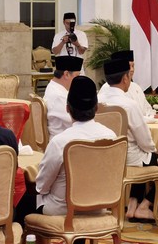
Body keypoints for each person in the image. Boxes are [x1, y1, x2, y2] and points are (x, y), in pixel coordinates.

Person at [36, 76, 116, 218]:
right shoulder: (111, 137)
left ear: (67, 108)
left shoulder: (60, 142)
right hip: (99, 207)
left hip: (63, 209)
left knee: (25, 200)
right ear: (97, 108)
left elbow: (41, 186)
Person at [98, 58, 158, 220]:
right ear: (125, 78)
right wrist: (154, 150)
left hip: (105, 157)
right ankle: (145, 205)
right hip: (129, 158)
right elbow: (145, 141)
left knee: (144, 157)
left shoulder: (97, 102)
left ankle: (132, 205)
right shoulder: (129, 105)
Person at [99, 50, 153, 117]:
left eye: (133, 66)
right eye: (129, 66)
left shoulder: (136, 87)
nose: (132, 69)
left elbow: (147, 109)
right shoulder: (107, 87)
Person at [43, 55, 83, 139]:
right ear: (66, 74)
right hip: (63, 143)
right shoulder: (58, 96)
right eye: (77, 76)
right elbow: (78, 121)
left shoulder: (54, 87)